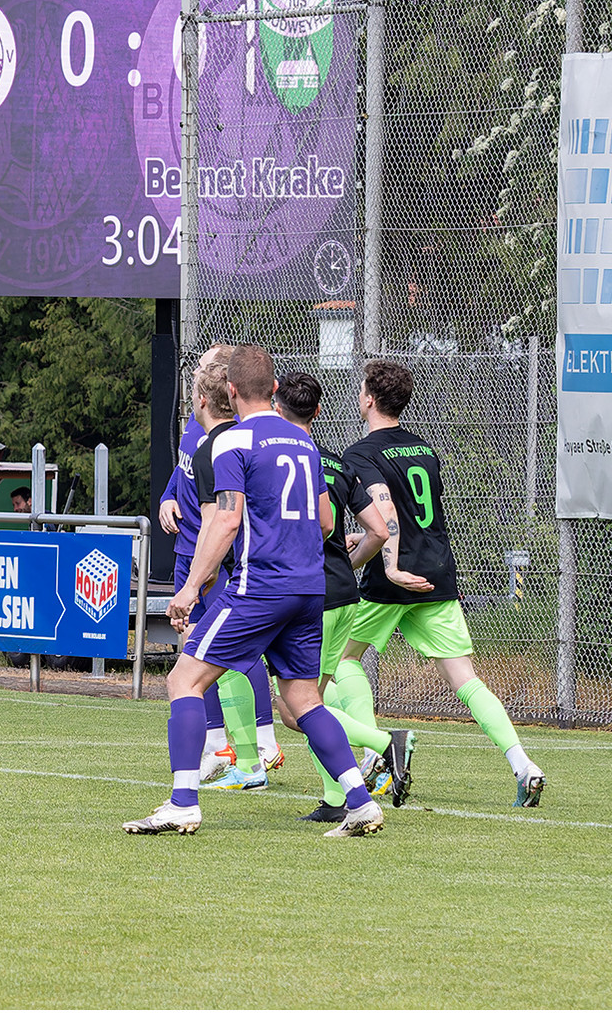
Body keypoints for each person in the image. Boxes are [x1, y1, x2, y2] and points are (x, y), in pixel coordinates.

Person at [124, 345, 383, 837]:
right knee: (304, 699)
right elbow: (328, 521)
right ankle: (359, 800)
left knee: (184, 681)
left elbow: (225, 519)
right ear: (277, 391)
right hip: (310, 588)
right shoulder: (306, 443)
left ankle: (182, 802)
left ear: (231, 391)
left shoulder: (230, 442)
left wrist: (189, 590)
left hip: (259, 586)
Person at [340, 360, 544, 807]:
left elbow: (386, 510)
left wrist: (386, 564)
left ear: (369, 399)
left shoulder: (360, 453)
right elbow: (412, 518)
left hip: (393, 579)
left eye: (360, 391)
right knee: (466, 680)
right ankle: (523, 763)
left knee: (342, 660)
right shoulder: (424, 449)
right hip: (436, 573)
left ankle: (378, 751)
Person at [272, 370, 411, 822]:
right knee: (312, 699)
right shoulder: (335, 461)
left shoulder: (274, 459)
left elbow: (323, 525)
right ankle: (336, 799)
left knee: (296, 709)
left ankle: (380, 744)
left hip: (301, 594)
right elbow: (378, 531)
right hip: (342, 594)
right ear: (317, 412)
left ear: (276, 408)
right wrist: (347, 568)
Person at [186, 359, 284, 789]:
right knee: (305, 692)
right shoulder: (285, 437)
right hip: (293, 573)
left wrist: (194, 583)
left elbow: (218, 523)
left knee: (197, 666)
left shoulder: (217, 447)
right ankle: (253, 753)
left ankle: (244, 755)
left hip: (243, 573)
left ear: (206, 398)